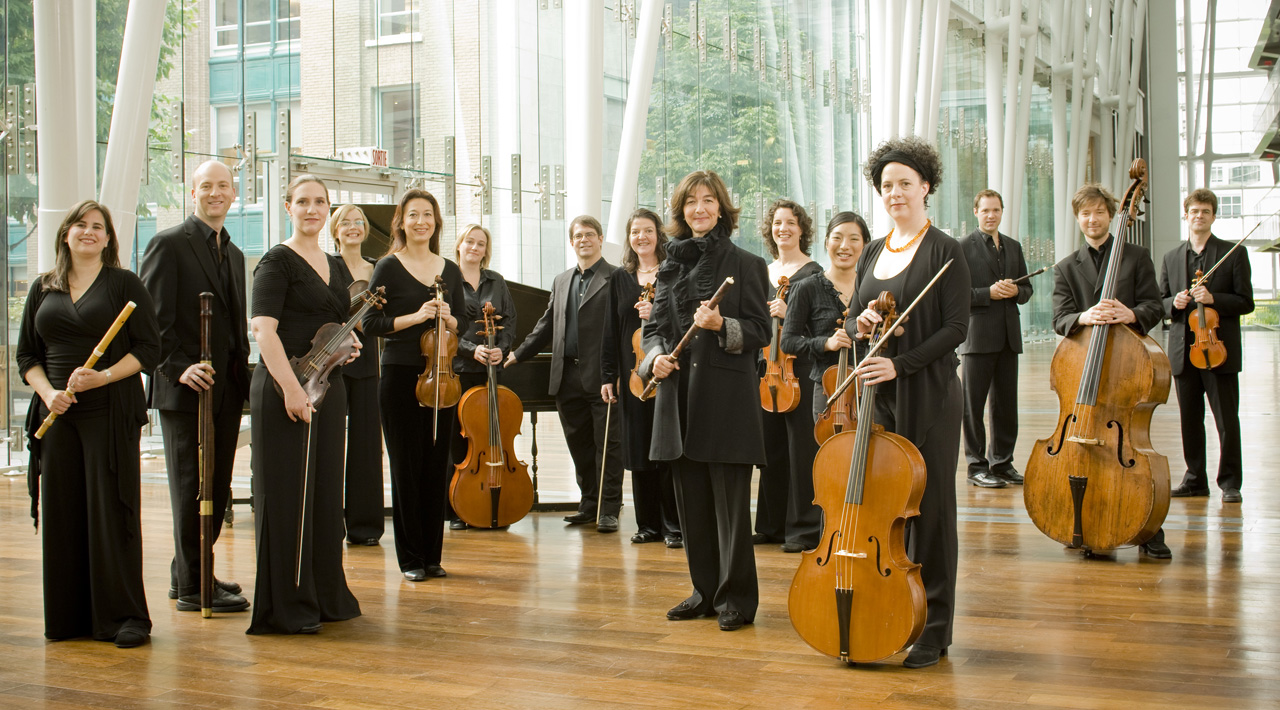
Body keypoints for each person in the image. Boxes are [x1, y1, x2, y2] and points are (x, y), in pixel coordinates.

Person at [18, 200, 161, 648]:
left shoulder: (123, 283)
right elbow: (27, 355)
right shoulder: (44, 287)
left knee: (110, 512)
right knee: (62, 512)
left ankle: (124, 617)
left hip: (108, 411)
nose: (89, 232)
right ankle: (69, 615)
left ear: (108, 238)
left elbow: (149, 348)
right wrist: (48, 394)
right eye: (81, 225)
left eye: (98, 227)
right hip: (57, 413)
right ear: (65, 234)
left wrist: (102, 376)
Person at [850, 137, 970, 668]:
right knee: (888, 510)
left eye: (904, 182)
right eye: (886, 185)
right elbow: (853, 317)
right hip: (880, 397)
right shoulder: (874, 250)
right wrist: (862, 325)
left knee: (933, 511)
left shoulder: (947, 250)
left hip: (931, 394)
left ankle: (935, 628)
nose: (895, 192)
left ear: (925, 186)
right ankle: (893, 609)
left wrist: (902, 362)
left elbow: (955, 328)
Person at [640, 170, 770, 632]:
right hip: (678, 399)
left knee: (731, 509)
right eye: (691, 201)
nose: (700, 208)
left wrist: (721, 327)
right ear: (681, 211)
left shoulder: (747, 264)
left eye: (708, 200)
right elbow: (653, 330)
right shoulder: (669, 267)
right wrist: (653, 359)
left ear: (721, 208)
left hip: (725, 401)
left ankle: (736, 599)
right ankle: (704, 591)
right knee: (691, 504)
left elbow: (761, 329)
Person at [248, 175, 362, 634]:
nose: (311, 209)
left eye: (319, 202)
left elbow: (330, 323)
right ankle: (288, 603)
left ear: (328, 208)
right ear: (287, 206)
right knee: (287, 496)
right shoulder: (276, 261)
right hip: (284, 388)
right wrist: (291, 391)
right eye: (302, 202)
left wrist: (346, 345)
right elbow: (264, 331)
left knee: (324, 495)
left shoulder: (335, 264)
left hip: (327, 387)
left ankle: (322, 594)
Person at [140, 160, 252, 613]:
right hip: (185, 389)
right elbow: (151, 325)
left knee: (217, 486)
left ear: (234, 192)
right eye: (206, 186)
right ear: (192, 192)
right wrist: (178, 367)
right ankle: (192, 586)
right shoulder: (168, 245)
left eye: (223, 186)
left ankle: (189, 570)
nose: (215, 193)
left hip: (225, 391)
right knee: (192, 488)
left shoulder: (236, 253)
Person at [1050, 183, 1170, 559]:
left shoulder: (1136, 257)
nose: (1092, 218)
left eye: (1098, 212)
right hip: (1083, 367)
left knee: (1129, 439)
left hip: (1125, 367)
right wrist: (1085, 316)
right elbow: (1060, 317)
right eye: (1085, 213)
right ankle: (1082, 521)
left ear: (1111, 214)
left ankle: (1147, 526)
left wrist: (1131, 314)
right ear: (1078, 219)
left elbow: (1156, 304)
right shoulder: (1067, 266)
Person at [362, 189, 467, 579]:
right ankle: (410, 559)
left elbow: (465, 324)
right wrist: (416, 316)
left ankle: (432, 556)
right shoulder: (388, 267)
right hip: (402, 376)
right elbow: (370, 323)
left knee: (436, 465)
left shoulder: (450, 270)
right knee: (406, 465)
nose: (421, 221)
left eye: (428, 215)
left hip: (442, 377)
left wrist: (452, 319)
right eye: (413, 215)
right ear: (401, 222)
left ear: (436, 222)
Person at [506, 216, 624, 533]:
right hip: (566, 376)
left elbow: (623, 330)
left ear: (600, 240)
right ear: (571, 242)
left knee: (608, 446)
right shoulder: (561, 280)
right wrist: (518, 353)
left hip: (603, 378)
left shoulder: (617, 278)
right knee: (580, 445)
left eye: (589, 235)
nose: (583, 240)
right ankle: (588, 505)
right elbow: (546, 326)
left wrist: (615, 374)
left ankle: (609, 508)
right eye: (577, 236)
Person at [1159, 188, 1253, 503]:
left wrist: (1214, 299)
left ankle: (1230, 482)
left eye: (1205, 211)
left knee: (1226, 419)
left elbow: (1246, 302)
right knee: (1190, 419)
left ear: (1213, 216)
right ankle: (1195, 478)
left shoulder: (1233, 253)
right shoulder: (1171, 257)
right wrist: (1175, 301)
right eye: (1194, 211)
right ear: (1186, 215)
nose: (1199, 216)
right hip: (1184, 353)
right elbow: (1159, 303)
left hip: (1218, 350)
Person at [600, 208, 682, 548]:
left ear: (658, 236)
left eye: (648, 231)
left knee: (666, 449)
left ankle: (674, 525)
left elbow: (682, 320)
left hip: (666, 372)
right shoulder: (619, 279)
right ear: (629, 238)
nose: (642, 237)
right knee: (639, 451)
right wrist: (608, 375)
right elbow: (610, 330)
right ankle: (647, 524)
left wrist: (658, 311)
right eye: (636, 232)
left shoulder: (672, 274)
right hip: (632, 376)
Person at [755, 200, 824, 553]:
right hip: (767, 372)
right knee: (770, 450)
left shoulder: (813, 274)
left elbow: (823, 325)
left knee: (801, 450)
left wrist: (790, 311)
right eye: (778, 223)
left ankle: (804, 529)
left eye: (791, 223)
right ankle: (770, 525)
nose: (783, 228)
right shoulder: (763, 271)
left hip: (800, 372)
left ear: (802, 230)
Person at [959, 189, 1032, 489]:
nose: (991, 215)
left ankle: (1002, 463)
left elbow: (1026, 291)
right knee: (972, 406)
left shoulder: (1014, 247)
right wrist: (987, 293)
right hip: (977, 339)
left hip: (1008, 338)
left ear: (1002, 212)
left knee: (1005, 405)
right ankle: (977, 466)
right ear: (975, 212)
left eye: (996, 210)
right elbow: (956, 295)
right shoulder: (962, 247)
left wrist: (1016, 291)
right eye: (985, 210)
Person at [448, 223, 517, 529]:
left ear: (486, 250)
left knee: (493, 435)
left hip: (491, 371)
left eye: (481, 244)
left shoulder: (496, 281)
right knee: (459, 439)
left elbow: (510, 320)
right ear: (459, 245)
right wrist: (469, 349)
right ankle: (458, 507)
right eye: (470, 242)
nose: (475, 248)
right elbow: (446, 326)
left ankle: (495, 499)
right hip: (460, 370)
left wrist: (502, 348)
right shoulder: (449, 280)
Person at [781, 211, 869, 422]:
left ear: (865, 245)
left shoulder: (872, 286)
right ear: (827, 242)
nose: (844, 246)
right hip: (828, 391)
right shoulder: (806, 288)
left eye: (854, 239)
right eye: (837, 238)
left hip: (871, 388)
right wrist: (826, 343)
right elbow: (788, 342)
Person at [331, 204, 385, 546]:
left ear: (365, 230)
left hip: (367, 365)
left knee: (366, 446)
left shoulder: (378, 269)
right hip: (330, 364)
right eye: (346, 223)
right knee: (331, 446)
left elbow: (385, 317)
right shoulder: (325, 265)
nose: (353, 227)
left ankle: (365, 528)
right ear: (335, 229)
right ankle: (330, 524)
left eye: (359, 223)